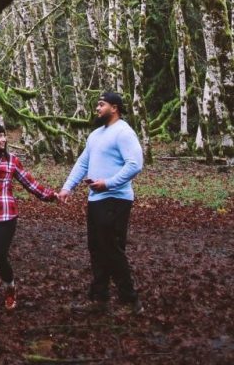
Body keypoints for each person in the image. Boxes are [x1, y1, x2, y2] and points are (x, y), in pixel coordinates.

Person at [0, 118, 60, 312]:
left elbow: (29, 182)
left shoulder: (11, 160)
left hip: (5, 216)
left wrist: (50, 195)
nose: (4, 139)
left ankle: (10, 287)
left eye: (4, 135)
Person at [58, 91, 144, 313]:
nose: (97, 108)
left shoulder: (123, 132)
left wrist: (108, 183)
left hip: (116, 199)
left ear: (114, 108)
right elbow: (82, 162)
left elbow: (135, 164)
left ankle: (130, 301)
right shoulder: (95, 135)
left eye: (101, 104)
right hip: (96, 199)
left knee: (112, 248)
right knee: (96, 248)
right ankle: (100, 298)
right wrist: (68, 187)